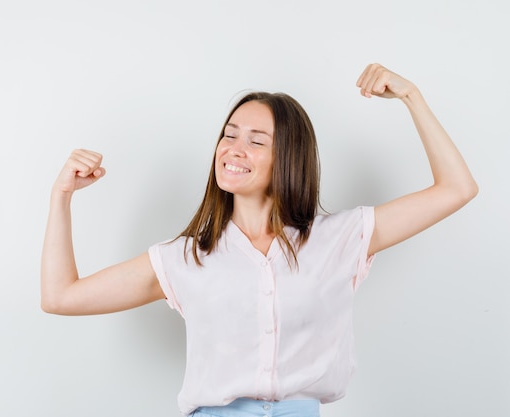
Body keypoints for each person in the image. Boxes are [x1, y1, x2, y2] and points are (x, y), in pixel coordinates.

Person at [40, 63, 478, 417]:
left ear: (287, 157)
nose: (233, 148)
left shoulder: (340, 239)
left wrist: (411, 96)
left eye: (256, 141)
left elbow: (457, 188)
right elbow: (60, 297)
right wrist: (61, 197)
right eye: (229, 135)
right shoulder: (185, 259)